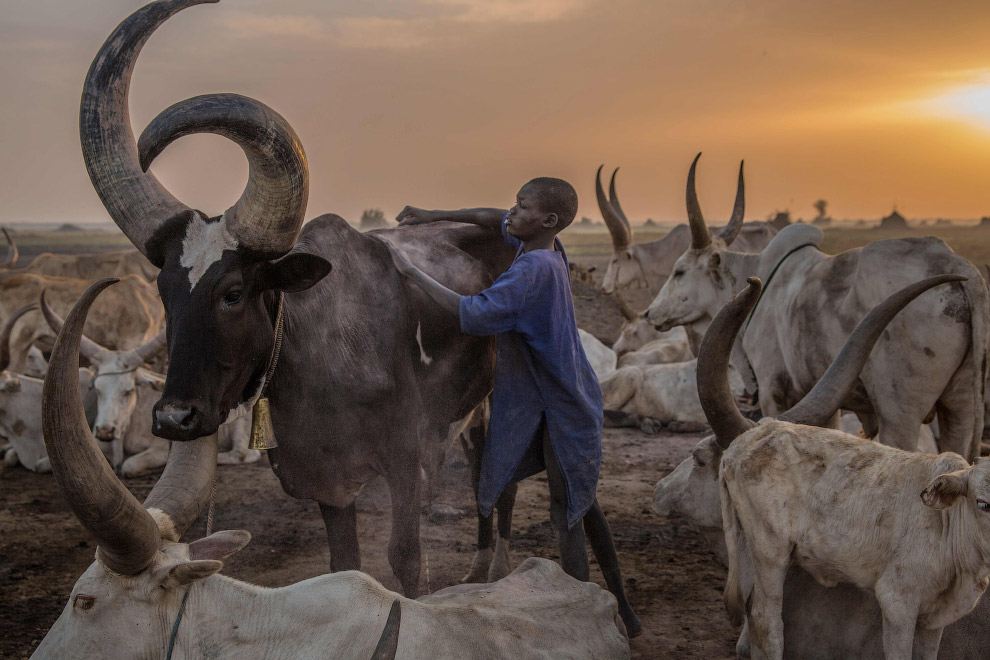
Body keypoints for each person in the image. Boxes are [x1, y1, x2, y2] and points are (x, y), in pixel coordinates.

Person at [388, 177, 642, 637]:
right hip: (565, 394)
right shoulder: (546, 249)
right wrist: (431, 215)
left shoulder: (531, 272)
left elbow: (471, 312)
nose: (511, 212)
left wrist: (410, 273)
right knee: (585, 507)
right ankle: (623, 608)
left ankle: (581, 623)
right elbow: (490, 218)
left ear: (546, 220)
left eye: (521, 207)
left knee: (568, 515)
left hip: (562, 406)